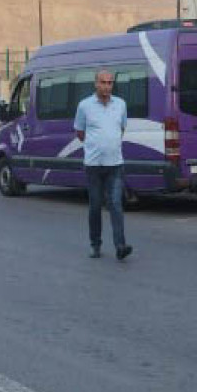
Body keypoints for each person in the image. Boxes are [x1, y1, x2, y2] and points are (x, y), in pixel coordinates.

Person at [74, 70, 131, 261]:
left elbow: (121, 129)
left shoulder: (120, 104)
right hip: (94, 166)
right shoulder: (84, 106)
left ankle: (120, 245)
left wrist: (109, 144)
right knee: (95, 205)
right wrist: (96, 146)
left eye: (110, 82)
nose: (107, 86)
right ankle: (95, 244)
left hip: (115, 164)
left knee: (115, 204)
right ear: (95, 84)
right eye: (103, 82)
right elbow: (80, 133)